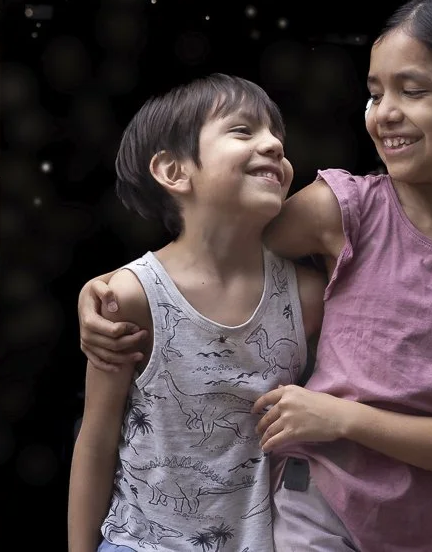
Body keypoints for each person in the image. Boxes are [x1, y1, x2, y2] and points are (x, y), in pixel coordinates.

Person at [81, 0, 432, 552]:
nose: (385, 113)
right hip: (321, 514)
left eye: (413, 90)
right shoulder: (344, 208)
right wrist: (107, 289)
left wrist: (343, 418)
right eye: (376, 92)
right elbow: (209, 245)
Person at [67, 72, 321, 552]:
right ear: (173, 172)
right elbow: (96, 442)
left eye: (277, 136)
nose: (273, 145)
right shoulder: (131, 297)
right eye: (243, 131)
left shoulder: (307, 297)